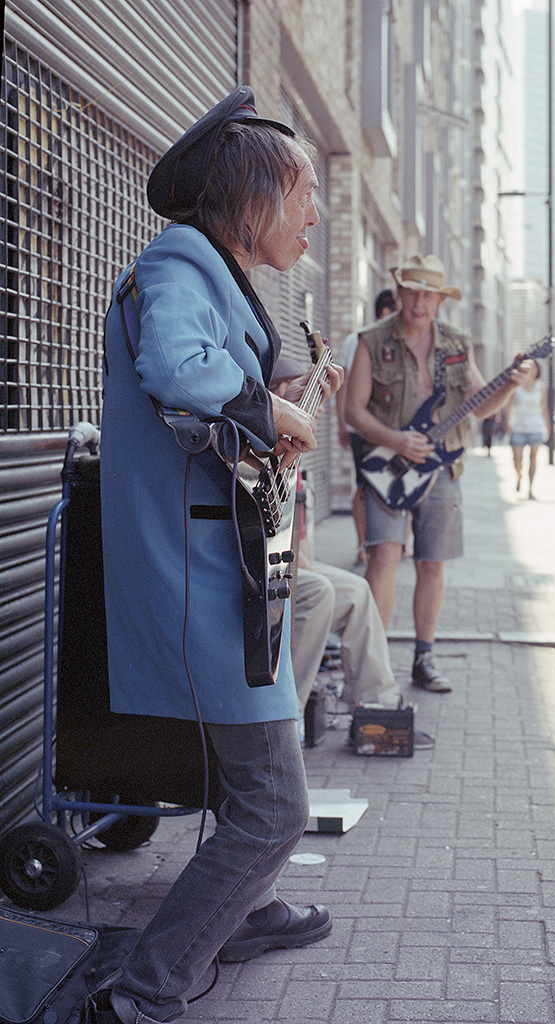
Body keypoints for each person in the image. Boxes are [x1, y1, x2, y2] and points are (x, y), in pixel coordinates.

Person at [94, 89, 343, 1023]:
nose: (316, 211)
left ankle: (249, 908)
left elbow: (201, 391)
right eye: (306, 190)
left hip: (223, 576)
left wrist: (267, 394)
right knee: (272, 810)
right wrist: (274, 410)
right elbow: (175, 366)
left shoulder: (211, 274)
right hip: (199, 582)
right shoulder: (177, 262)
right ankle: (143, 992)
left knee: (248, 790)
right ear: (254, 195)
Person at [345, 254, 535, 693]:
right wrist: (396, 440)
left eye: (428, 295)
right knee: (384, 555)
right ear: (399, 294)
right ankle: (374, 665)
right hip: (386, 468)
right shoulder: (372, 341)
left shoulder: (456, 344)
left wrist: (508, 384)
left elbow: (481, 403)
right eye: (411, 292)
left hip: (442, 467)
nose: (418, 303)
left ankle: (424, 659)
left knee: (432, 563)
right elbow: (353, 411)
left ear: (439, 299)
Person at [269, 358, 433, 749]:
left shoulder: (292, 449)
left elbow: (299, 547)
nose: (306, 405)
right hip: (259, 571)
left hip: (284, 564)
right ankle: (281, 724)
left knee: (357, 592)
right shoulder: (258, 442)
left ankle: (377, 707)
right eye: (286, 393)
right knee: (321, 592)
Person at [336, 289, 398, 563]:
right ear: (385, 311)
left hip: (393, 431)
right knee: (364, 485)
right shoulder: (357, 340)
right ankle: (363, 545)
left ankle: (394, 542)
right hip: (361, 430)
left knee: (397, 481)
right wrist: (341, 424)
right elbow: (342, 386)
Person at [506, 359, 549, 498]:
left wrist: (547, 427)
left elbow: (544, 409)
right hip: (518, 425)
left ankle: (530, 489)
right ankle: (519, 476)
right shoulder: (516, 386)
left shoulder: (541, 387)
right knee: (517, 459)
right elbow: (509, 405)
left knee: (533, 458)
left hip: (536, 425)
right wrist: (507, 422)